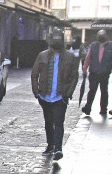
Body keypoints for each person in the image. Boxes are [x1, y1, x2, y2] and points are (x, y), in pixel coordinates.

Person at [31, 30, 79, 161]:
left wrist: (68, 93)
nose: (56, 41)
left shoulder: (70, 57)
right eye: (55, 39)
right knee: (48, 122)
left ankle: (58, 148)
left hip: (60, 96)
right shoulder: (42, 56)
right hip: (45, 96)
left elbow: (75, 76)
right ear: (51, 40)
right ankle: (50, 145)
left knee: (58, 122)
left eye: (59, 39)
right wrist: (37, 92)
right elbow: (34, 74)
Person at [81, 29, 112, 116]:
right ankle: (88, 107)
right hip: (94, 71)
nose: (101, 37)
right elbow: (88, 57)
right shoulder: (93, 45)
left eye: (103, 35)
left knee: (104, 91)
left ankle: (103, 109)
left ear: (106, 36)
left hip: (105, 72)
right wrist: (84, 69)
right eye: (99, 35)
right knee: (92, 91)